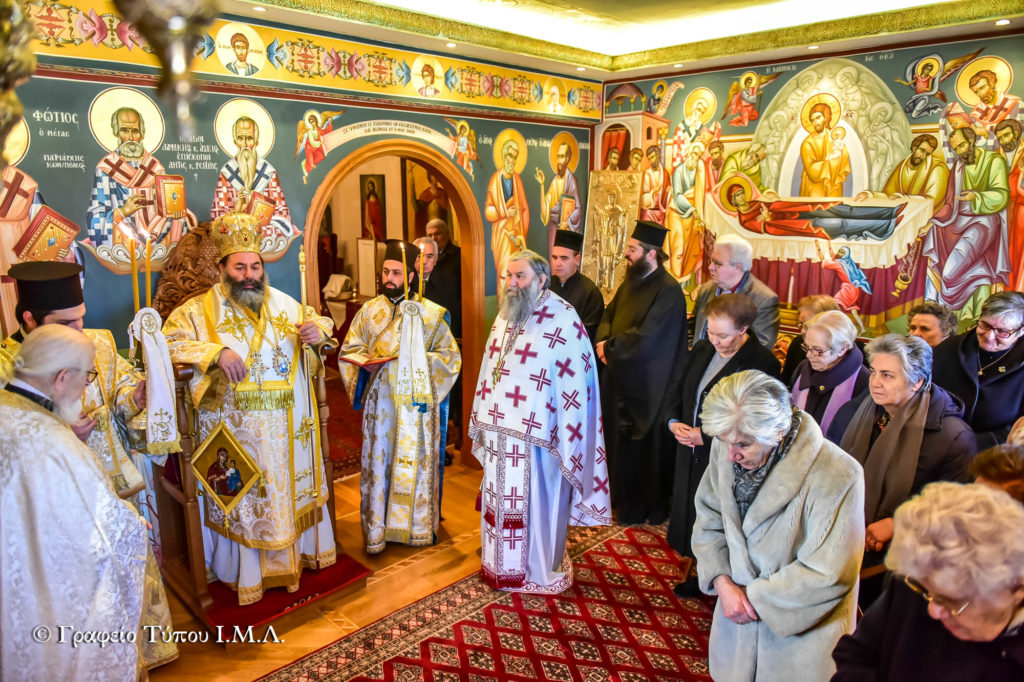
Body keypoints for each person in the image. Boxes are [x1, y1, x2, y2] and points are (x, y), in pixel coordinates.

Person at [163, 212, 336, 604]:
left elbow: (320, 322)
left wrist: (318, 332)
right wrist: (214, 352)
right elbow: (166, 342)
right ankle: (246, 572)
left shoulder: (284, 303)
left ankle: (301, 557)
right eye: (239, 266)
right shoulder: (199, 310)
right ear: (221, 268)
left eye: (255, 265)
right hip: (236, 437)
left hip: (289, 432)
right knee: (245, 498)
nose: (249, 274)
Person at [1, 325, 177, 679]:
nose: (87, 388)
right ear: (63, 377)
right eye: (87, 377)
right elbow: (100, 531)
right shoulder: (56, 442)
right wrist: (133, 523)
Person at [692, 370, 865, 682]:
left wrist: (752, 600)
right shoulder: (729, 444)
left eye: (744, 444)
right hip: (736, 627)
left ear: (778, 430)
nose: (731, 454)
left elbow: (829, 572)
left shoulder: (839, 474)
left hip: (798, 641)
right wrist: (722, 582)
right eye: (724, 442)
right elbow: (709, 518)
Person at [470, 250, 610, 593]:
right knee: (499, 504)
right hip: (501, 433)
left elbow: (579, 378)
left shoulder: (563, 318)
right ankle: (497, 565)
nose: (512, 284)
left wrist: (561, 426)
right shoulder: (506, 314)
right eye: (508, 276)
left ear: (542, 280)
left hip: (541, 440)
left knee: (536, 506)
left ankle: (537, 570)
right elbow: (492, 371)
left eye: (521, 277)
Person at [829, 334, 975, 605]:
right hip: (842, 540)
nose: (875, 382)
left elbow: (957, 508)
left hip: (899, 565)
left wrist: (899, 523)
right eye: (873, 372)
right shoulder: (857, 412)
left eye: (887, 375)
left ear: (917, 381)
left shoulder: (952, 436)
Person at [832, 482, 1024, 681]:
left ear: (1015, 590)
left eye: (952, 602)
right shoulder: (916, 585)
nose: (933, 610)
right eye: (927, 592)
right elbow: (854, 654)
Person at [341, 239, 461, 552]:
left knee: (414, 465)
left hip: (415, 409)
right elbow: (350, 349)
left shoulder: (433, 314)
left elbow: (450, 357)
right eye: (385, 271)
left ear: (410, 276)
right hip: (380, 404)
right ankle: (378, 528)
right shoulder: (368, 311)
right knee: (380, 463)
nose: (389, 278)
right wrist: (363, 365)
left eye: (396, 272)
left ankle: (415, 528)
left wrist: (416, 362)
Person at [1, 262, 149, 502]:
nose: (79, 330)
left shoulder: (100, 342)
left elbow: (120, 387)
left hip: (111, 487)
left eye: (81, 318)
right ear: (29, 319)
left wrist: (134, 398)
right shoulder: (6, 365)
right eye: (65, 323)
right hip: (53, 493)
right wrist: (64, 434)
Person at [664, 295, 780, 596]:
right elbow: (682, 387)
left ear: (744, 330)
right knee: (689, 508)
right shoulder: (703, 348)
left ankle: (715, 575)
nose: (714, 340)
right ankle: (696, 559)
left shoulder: (761, 362)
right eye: (711, 332)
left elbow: (756, 419)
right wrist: (673, 420)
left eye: (723, 335)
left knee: (716, 512)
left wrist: (708, 434)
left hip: (725, 454)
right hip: (687, 448)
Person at [596, 221, 688, 524]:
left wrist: (611, 348)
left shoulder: (669, 291)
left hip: (650, 387)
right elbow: (609, 314)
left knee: (641, 450)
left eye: (632, 250)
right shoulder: (630, 282)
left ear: (651, 254)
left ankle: (642, 507)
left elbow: (649, 337)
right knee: (616, 444)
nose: (627, 255)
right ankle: (617, 497)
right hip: (620, 376)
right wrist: (603, 341)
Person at [923, 125, 1009, 312]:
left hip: (984, 220)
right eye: (956, 149)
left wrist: (976, 197)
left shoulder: (994, 161)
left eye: (962, 145)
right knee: (933, 233)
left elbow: (1002, 196)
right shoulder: (958, 167)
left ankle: (946, 306)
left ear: (971, 141)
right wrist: (931, 222)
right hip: (959, 219)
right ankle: (930, 302)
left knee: (950, 270)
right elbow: (949, 204)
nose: (960, 151)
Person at [87, 107, 188, 249]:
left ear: (141, 134)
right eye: (124, 130)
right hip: (124, 241)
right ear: (116, 132)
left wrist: (176, 214)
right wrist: (123, 211)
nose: (130, 138)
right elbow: (95, 217)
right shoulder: (106, 168)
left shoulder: (155, 167)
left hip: (158, 238)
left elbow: (171, 205)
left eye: (134, 131)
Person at [932, 291, 1024, 448]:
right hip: (940, 445)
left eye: (1002, 331)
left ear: (1021, 331)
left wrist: (982, 442)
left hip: (995, 454)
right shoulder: (949, 349)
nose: (989, 336)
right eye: (985, 325)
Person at [210, 116, 297, 239]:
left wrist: (260, 227)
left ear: (256, 141)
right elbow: (217, 221)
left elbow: (283, 217)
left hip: (263, 237)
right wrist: (237, 210)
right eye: (240, 138)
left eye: (249, 138)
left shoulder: (268, 172)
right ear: (235, 141)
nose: (245, 144)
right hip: (235, 240)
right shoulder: (227, 173)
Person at [692, 233, 779, 349]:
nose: (710, 267)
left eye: (717, 263)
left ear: (738, 267)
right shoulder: (706, 289)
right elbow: (691, 329)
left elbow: (761, 348)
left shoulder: (764, 299)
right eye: (711, 261)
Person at [789, 310, 869, 435]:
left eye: (818, 350)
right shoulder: (803, 368)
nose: (809, 355)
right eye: (807, 347)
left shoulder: (863, 381)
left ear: (842, 349)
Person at [856, 133, 950, 212]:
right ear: (914, 147)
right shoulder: (902, 166)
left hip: (927, 219)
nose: (923, 156)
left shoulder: (937, 168)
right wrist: (869, 195)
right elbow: (889, 195)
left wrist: (904, 199)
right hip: (905, 212)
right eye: (922, 151)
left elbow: (932, 200)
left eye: (927, 154)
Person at [485, 138, 530, 283]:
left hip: (516, 236)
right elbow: (488, 211)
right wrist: (505, 213)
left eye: (515, 157)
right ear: (504, 156)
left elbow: (524, 209)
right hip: (502, 235)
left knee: (517, 273)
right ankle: (503, 305)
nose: (512, 160)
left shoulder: (517, 180)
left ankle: (516, 306)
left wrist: (522, 237)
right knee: (504, 274)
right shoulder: (495, 180)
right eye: (510, 156)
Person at [548, 229, 603, 344]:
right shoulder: (546, 285)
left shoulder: (590, 292)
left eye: (564, 258)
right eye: (554, 257)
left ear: (577, 260)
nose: (557, 263)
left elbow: (588, 333)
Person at [665, 139, 706, 282]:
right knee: (678, 250)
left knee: (689, 251)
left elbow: (701, 194)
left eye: (699, 155)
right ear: (689, 153)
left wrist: (696, 213)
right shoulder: (679, 171)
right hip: (677, 212)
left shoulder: (699, 173)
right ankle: (674, 281)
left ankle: (681, 282)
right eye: (694, 153)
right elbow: (677, 195)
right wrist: (692, 209)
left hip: (690, 217)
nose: (695, 158)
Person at [779, 294, 840, 386]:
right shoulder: (798, 343)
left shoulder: (846, 350)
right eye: (801, 324)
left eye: (808, 325)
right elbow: (785, 383)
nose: (803, 331)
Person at [536, 141, 582, 255]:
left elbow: (578, 209)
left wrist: (567, 222)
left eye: (561, 156)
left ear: (567, 158)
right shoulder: (555, 180)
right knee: (554, 264)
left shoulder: (571, 180)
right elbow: (545, 210)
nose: (558, 160)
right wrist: (542, 185)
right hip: (554, 228)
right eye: (558, 156)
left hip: (566, 230)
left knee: (564, 263)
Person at [800, 102, 851, 197]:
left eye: (818, 117)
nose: (816, 122)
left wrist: (839, 156)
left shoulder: (834, 137)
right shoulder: (808, 143)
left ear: (825, 117)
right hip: (815, 186)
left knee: (835, 210)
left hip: (833, 184)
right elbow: (811, 170)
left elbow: (843, 159)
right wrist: (830, 163)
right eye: (813, 120)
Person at [639, 145, 669, 224]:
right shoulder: (646, 174)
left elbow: (667, 194)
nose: (651, 161)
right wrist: (653, 192)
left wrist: (669, 192)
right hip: (648, 212)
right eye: (649, 159)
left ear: (658, 155)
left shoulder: (665, 174)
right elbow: (641, 198)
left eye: (653, 157)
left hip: (662, 213)